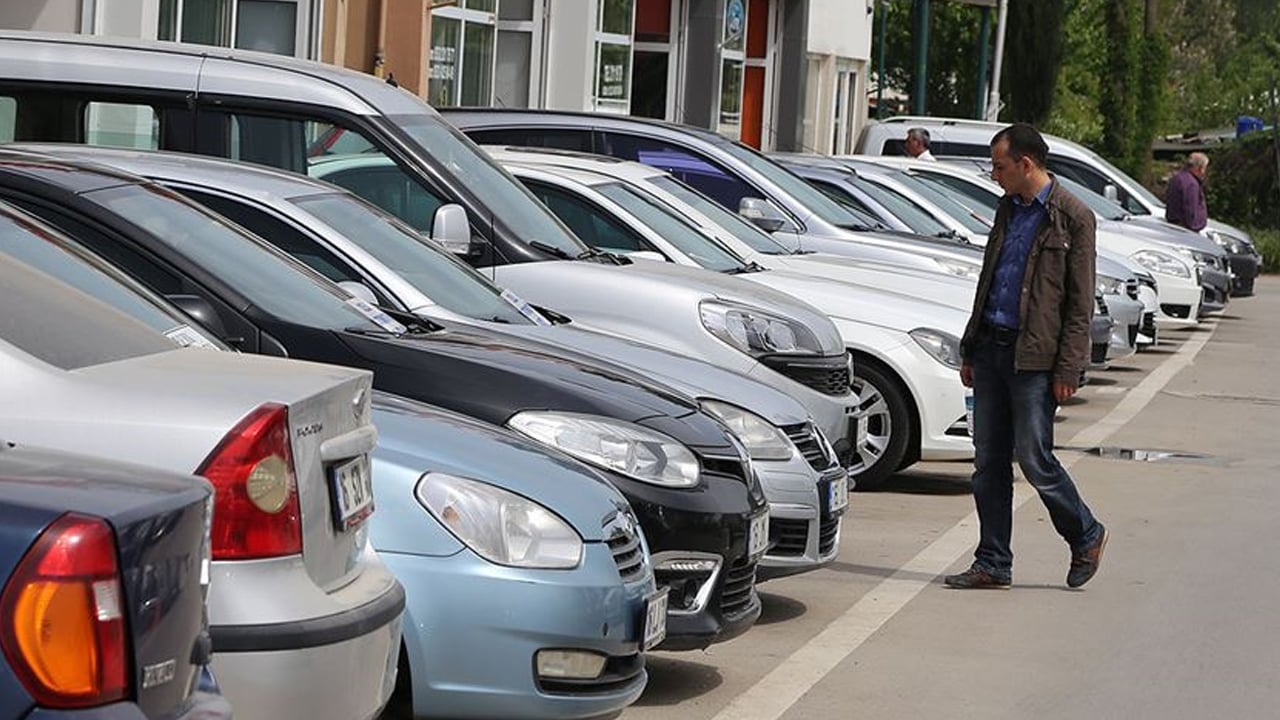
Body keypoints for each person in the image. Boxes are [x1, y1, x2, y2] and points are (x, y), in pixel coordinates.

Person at [946, 123, 1107, 591]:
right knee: (988, 463)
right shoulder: (1007, 208)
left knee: (1035, 458)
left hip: (1034, 360)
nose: (994, 175)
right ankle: (993, 562)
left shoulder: (1073, 217)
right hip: (991, 349)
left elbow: (1079, 302)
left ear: (1026, 164)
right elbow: (990, 280)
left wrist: (1069, 367)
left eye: (1000, 167)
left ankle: (1086, 534)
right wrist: (971, 346)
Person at [1165, 152, 1209, 232]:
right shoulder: (1191, 184)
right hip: (1185, 230)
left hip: (1174, 226)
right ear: (1198, 168)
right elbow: (1190, 211)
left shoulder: (1177, 178)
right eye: (1204, 168)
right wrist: (1195, 227)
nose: (1204, 172)